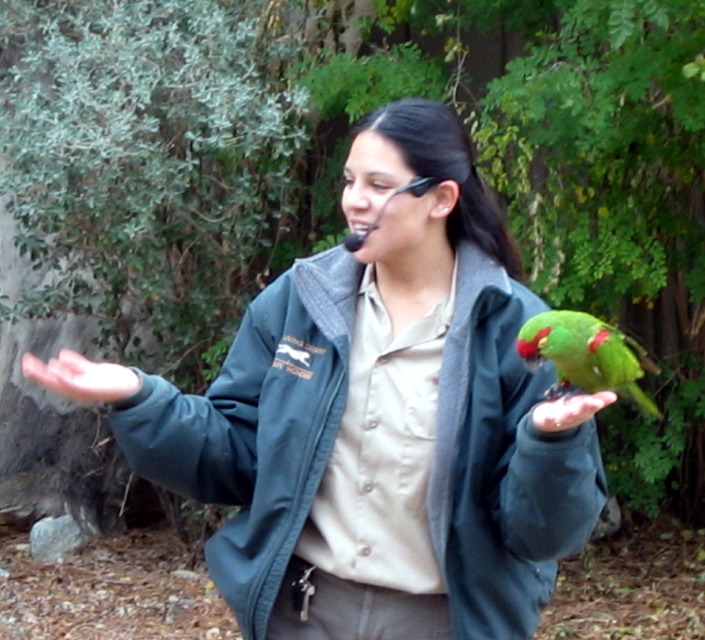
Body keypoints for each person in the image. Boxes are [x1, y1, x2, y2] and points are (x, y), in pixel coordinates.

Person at [22, 97, 616, 640]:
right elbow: (237, 457)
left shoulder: (516, 329)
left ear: (442, 199)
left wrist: (551, 443)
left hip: (446, 623)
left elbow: (544, 536)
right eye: (350, 180)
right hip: (302, 617)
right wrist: (139, 398)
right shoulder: (299, 302)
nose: (355, 199)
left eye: (380, 185)